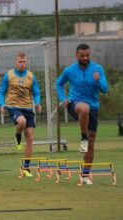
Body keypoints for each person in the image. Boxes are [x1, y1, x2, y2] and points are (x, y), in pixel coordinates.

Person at [56, 43, 109, 185]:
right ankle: (83, 138)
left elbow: (105, 89)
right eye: (82, 55)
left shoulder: (98, 69)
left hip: (94, 107)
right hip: (75, 104)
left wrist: (98, 81)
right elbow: (58, 83)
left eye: (87, 55)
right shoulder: (69, 70)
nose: (85, 58)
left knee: (92, 142)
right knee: (84, 108)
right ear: (76, 55)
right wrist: (63, 99)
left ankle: (85, 175)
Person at [0, 52, 41, 177]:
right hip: (13, 107)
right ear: (15, 62)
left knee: (30, 138)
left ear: (26, 62)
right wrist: (2, 104)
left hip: (27, 108)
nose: (22, 64)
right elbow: (1, 91)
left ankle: (26, 169)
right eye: (20, 62)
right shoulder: (9, 75)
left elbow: (36, 92)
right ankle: (17, 135)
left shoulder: (31, 76)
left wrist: (37, 103)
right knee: (21, 122)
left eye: (24, 62)